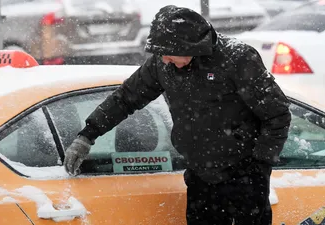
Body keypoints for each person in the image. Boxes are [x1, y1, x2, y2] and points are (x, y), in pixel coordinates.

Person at [64, 5, 291, 225]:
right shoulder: (163, 65)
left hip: (245, 177)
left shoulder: (237, 59)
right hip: (201, 177)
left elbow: (278, 114)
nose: (163, 60)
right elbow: (125, 98)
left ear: (189, 46)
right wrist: (88, 134)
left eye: (168, 54)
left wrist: (259, 166)